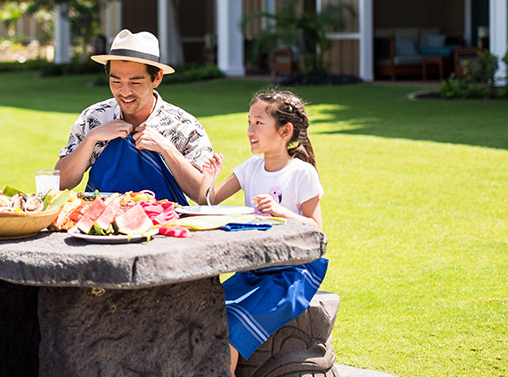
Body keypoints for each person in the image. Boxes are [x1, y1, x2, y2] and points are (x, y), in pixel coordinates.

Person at [199, 89, 328, 374]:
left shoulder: (301, 173)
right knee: (207, 313)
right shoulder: (250, 168)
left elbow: (316, 230)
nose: (250, 130)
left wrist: (281, 212)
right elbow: (209, 202)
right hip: (255, 268)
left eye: (259, 123)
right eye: (248, 122)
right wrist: (208, 178)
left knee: (230, 326)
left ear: (285, 131)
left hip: (292, 273)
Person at [55, 29, 213, 203]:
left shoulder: (184, 126)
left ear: (157, 78)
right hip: (101, 225)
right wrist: (92, 138)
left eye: (135, 83)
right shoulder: (94, 118)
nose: (124, 92)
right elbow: (60, 183)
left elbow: (204, 197)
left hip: (165, 226)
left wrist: (166, 149)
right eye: (115, 81)